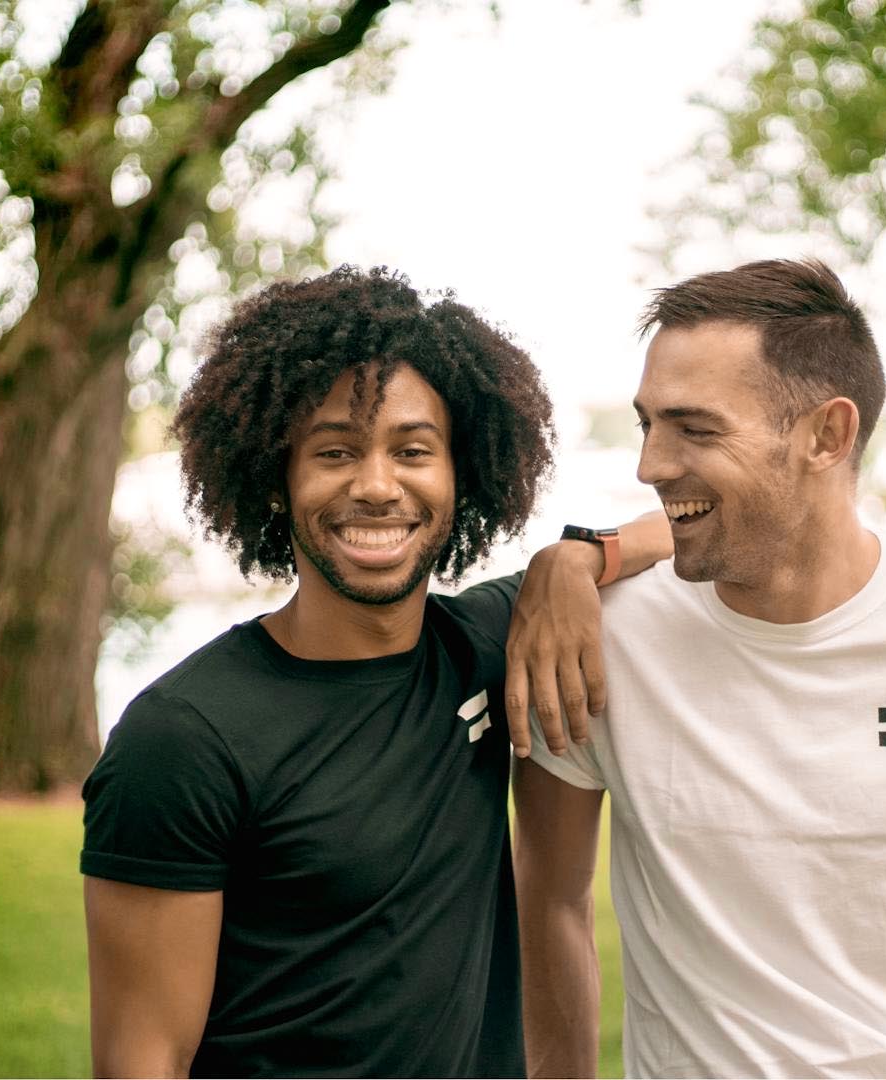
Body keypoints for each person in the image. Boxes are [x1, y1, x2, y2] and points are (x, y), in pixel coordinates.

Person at [512, 258, 886, 1079]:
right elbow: (549, 899)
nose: (650, 465)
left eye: (695, 429)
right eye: (648, 423)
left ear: (828, 436)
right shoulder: (598, 643)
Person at [79, 266, 668, 1078]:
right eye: (334, 451)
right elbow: (140, 1062)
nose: (378, 486)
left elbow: (682, 527)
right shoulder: (182, 739)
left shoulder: (493, 642)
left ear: (464, 476)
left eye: (413, 450)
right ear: (276, 482)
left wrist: (573, 558)